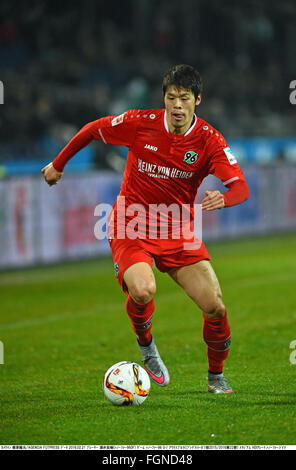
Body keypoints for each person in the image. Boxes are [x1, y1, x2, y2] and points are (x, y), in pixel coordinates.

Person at [42, 64, 249, 394]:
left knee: (215, 306)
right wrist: (58, 164)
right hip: (131, 223)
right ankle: (146, 347)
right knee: (142, 289)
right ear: (163, 99)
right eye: (170, 98)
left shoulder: (210, 140)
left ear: (198, 100)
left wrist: (224, 199)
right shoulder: (141, 123)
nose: (176, 105)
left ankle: (215, 378)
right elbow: (94, 129)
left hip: (177, 230)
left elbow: (240, 187)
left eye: (184, 98)